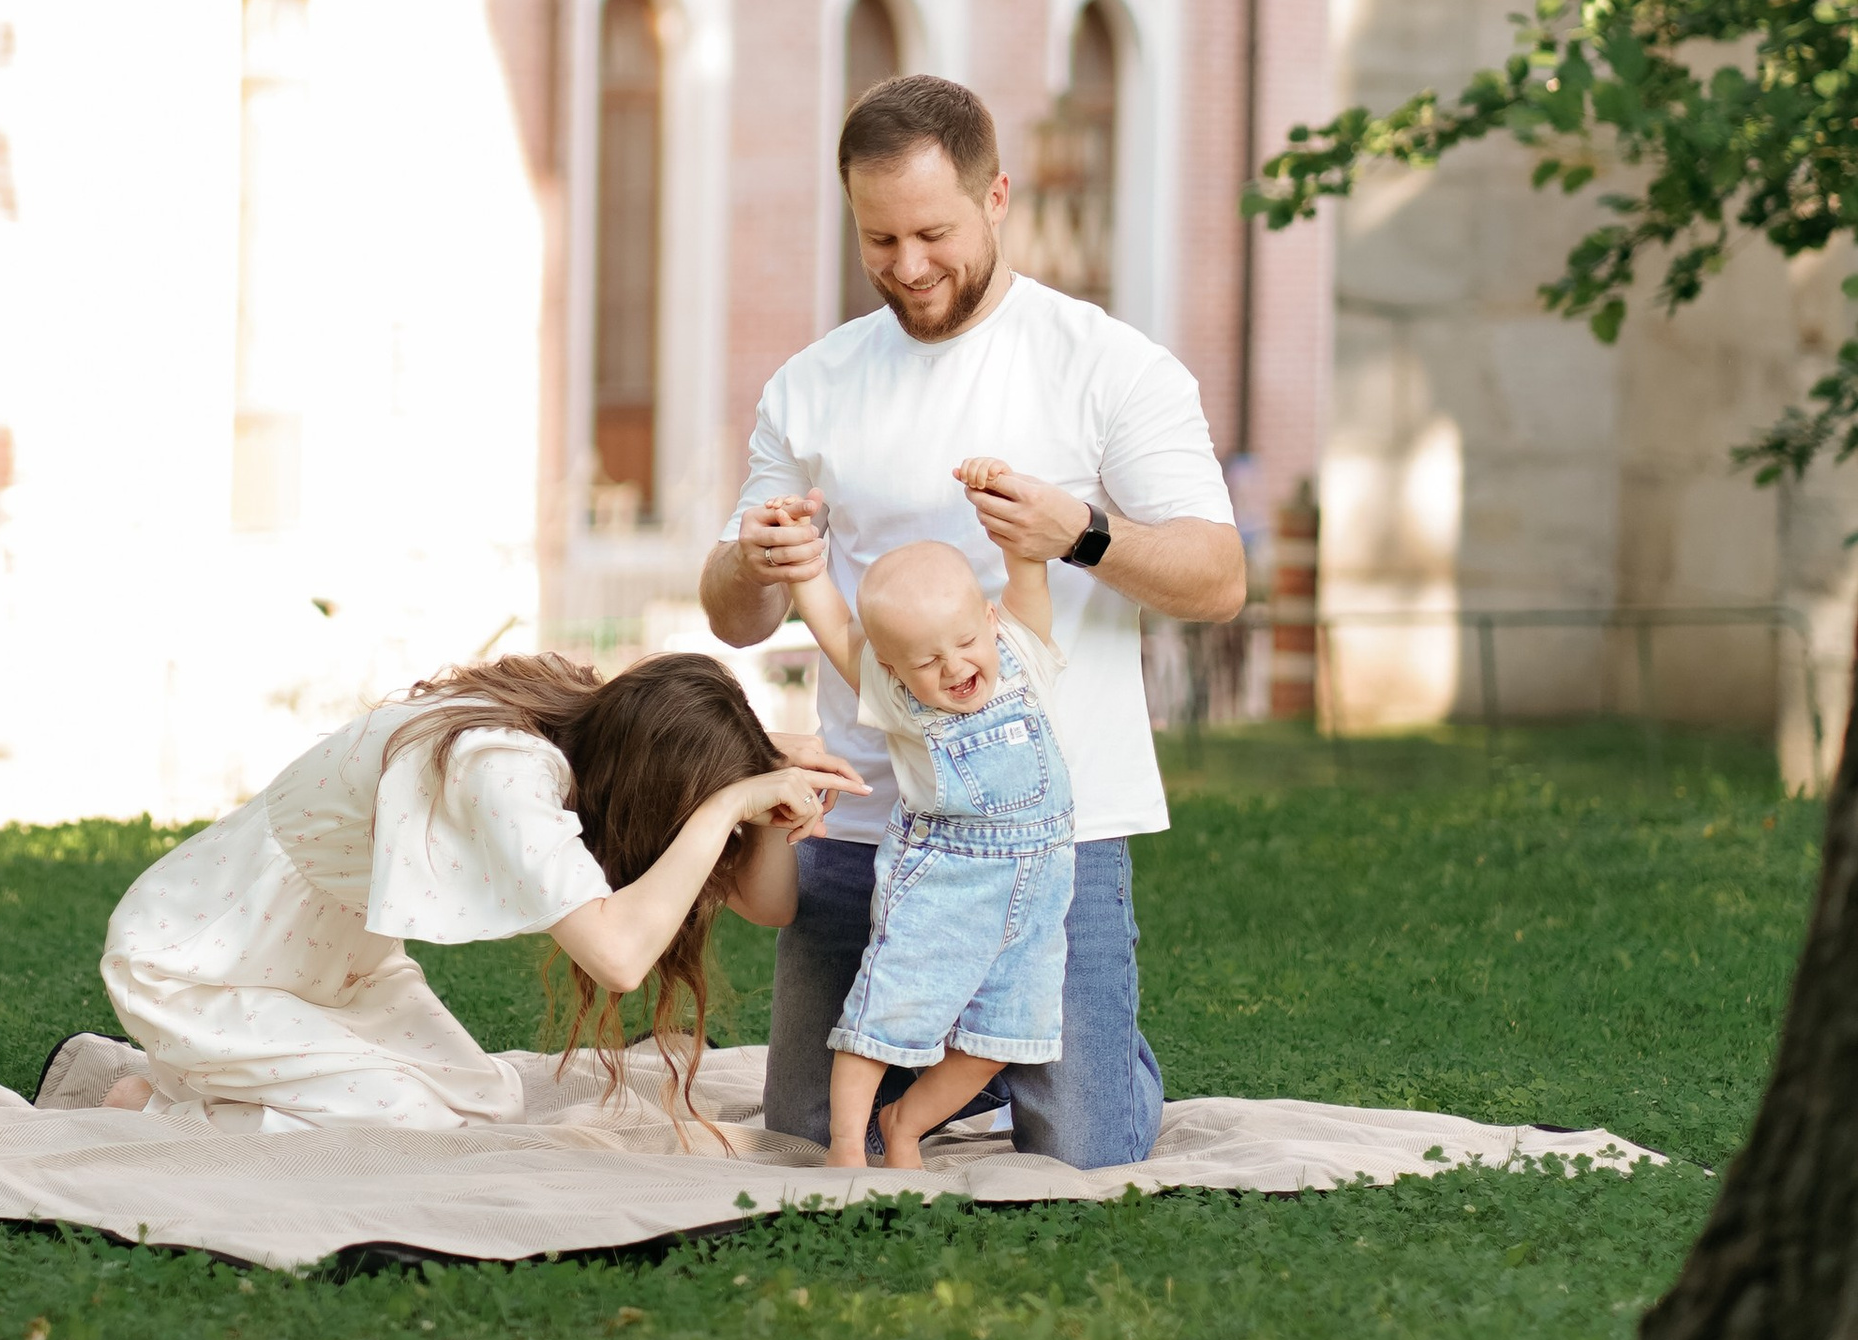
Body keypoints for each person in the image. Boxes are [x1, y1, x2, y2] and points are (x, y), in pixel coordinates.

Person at [702, 71, 1244, 1164]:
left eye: (932, 232)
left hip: (1054, 825)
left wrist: (1079, 534)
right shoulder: (813, 385)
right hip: (866, 819)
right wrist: (756, 562)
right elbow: (734, 615)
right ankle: (948, 1066)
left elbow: (1219, 577)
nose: (906, 268)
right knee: (809, 1135)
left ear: (997, 198)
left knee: (1084, 1145)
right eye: (878, 239)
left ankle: (1061, 1055)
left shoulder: (1107, 367)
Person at [63, 652, 862, 1135]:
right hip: (199, 961)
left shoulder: (585, 730)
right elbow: (620, 957)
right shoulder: (506, 771)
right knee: (402, 1123)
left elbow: (772, 905)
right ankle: (153, 1109)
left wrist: (762, 777)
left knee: (483, 1105)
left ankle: (215, 1083)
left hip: (333, 967)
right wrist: (726, 804)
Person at [778, 532, 1075, 1171]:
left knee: (1003, 1035)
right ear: (890, 668)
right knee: (888, 1010)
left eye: (966, 643)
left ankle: (905, 1123)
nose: (953, 667)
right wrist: (805, 570)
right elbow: (835, 628)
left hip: (1038, 896)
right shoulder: (898, 697)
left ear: (990, 622)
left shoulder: (1022, 649)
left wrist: (1016, 524)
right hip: (948, 884)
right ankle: (848, 1145)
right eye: (925, 660)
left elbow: (1030, 575)